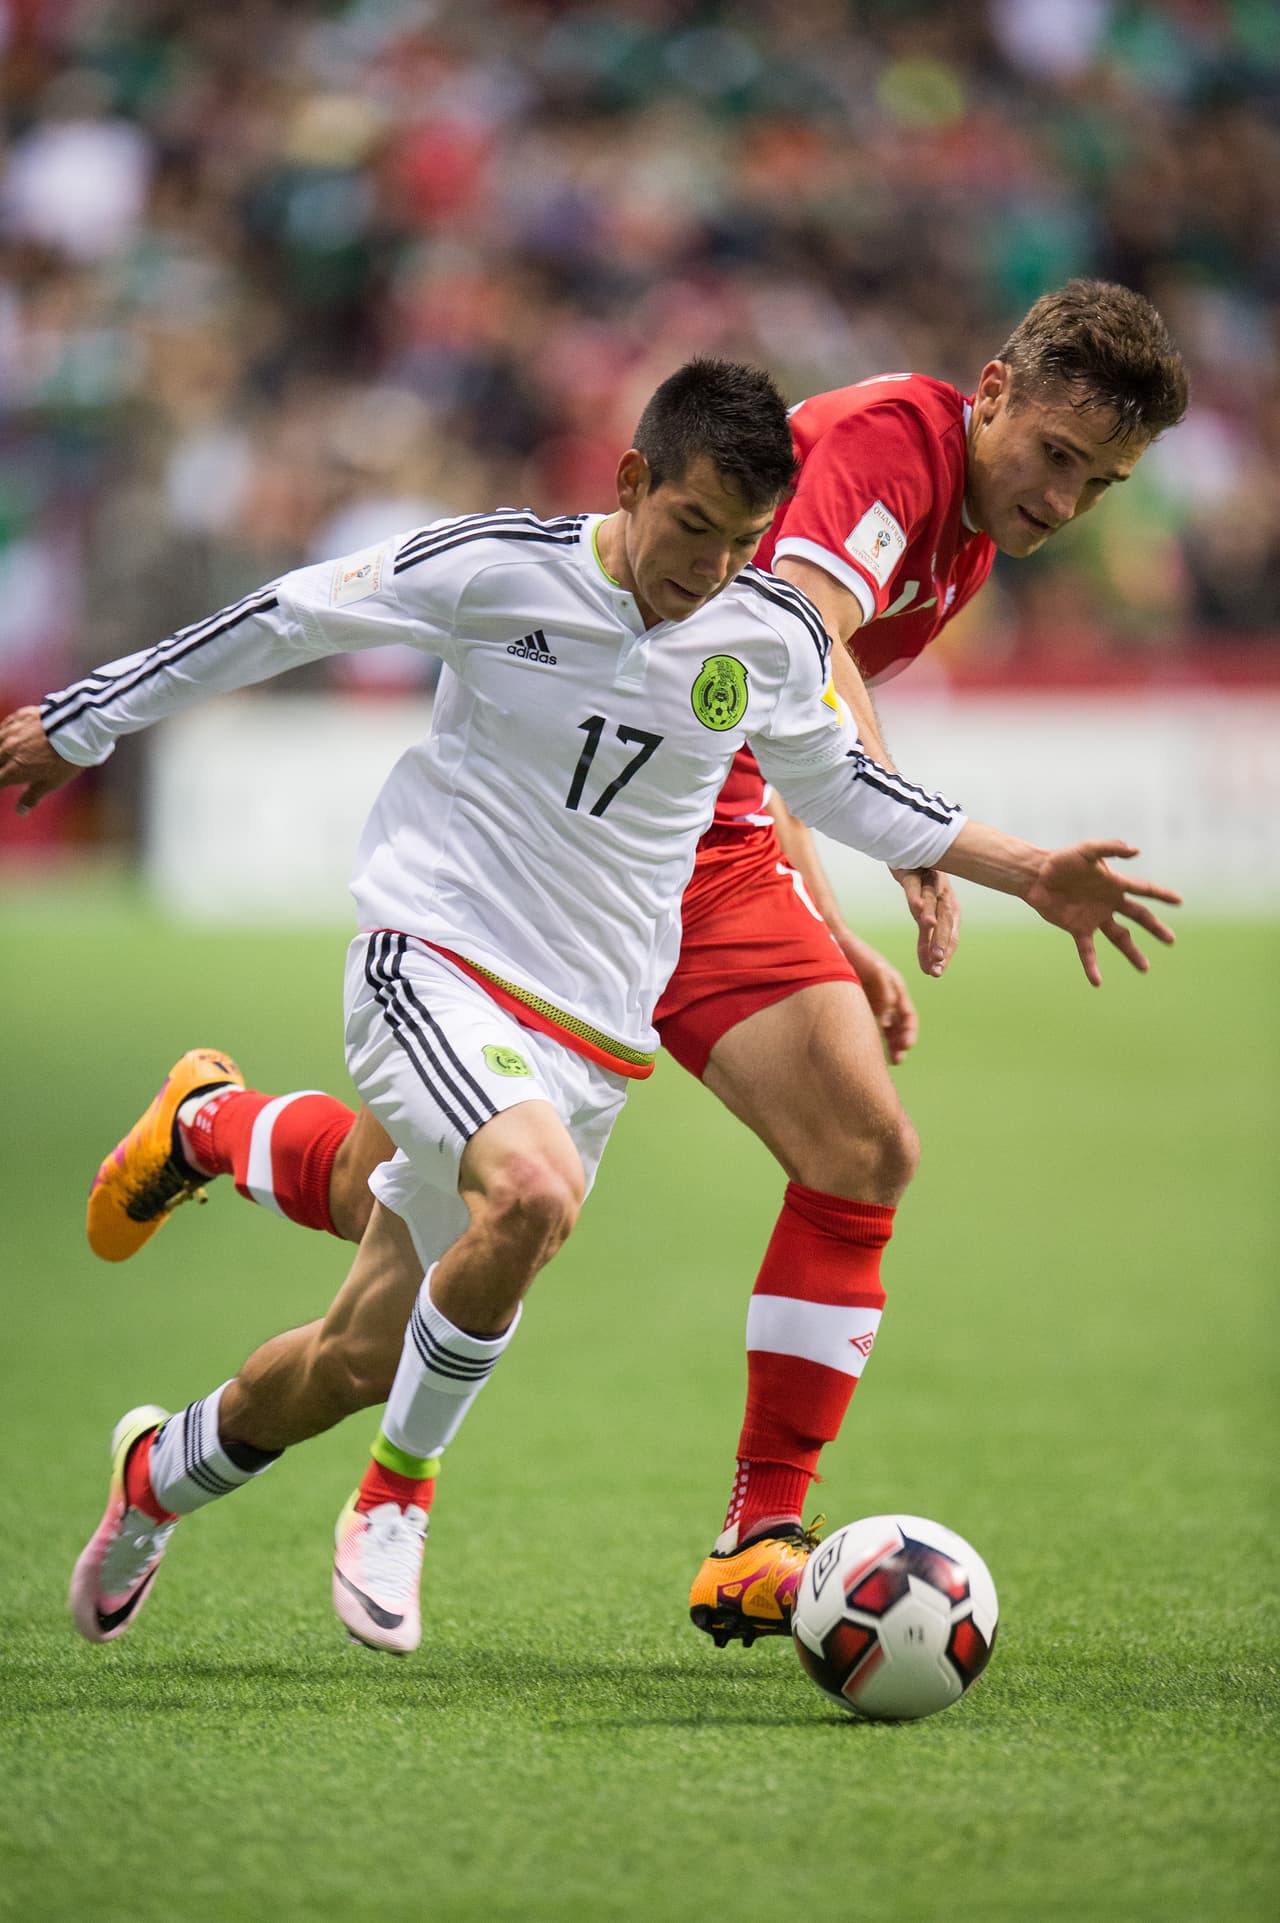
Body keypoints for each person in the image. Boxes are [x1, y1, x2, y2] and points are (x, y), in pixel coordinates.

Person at [1, 354, 1179, 1657]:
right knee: (539, 1192)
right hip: (433, 952)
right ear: (630, 481)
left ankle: (161, 1468)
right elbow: (284, 616)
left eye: (739, 546)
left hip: (587, 1025)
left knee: (357, 1355)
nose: (705, 572)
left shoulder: (760, 632)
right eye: (689, 530)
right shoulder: (502, 567)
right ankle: (400, 1495)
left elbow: (846, 786)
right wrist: (86, 717)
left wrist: (1022, 869)